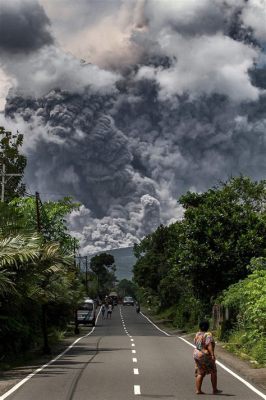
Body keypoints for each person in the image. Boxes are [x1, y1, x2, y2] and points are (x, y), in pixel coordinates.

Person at [193, 320, 221, 395]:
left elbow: (196, 343)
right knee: (213, 371)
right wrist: (212, 355)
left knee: (200, 372)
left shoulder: (197, 334)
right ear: (207, 327)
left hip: (196, 354)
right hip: (204, 355)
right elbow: (209, 345)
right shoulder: (208, 335)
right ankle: (215, 390)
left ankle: (198, 390)